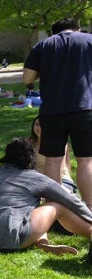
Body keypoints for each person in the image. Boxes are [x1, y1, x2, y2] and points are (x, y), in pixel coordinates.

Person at [0, 138, 92, 258]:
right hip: (10, 238)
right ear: (32, 158)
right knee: (57, 206)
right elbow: (70, 200)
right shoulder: (36, 178)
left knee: (30, 207)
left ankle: (42, 243)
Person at [22, 18, 92, 208]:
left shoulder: (43, 45)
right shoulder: (89, 40)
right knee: (86, 160)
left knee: (53, 160)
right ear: (78, 29)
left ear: (53, 32)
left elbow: (27, 78)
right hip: (85, 108)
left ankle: (54, 207)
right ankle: (89, 208)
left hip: (52, 110)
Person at [27, 116, 77, 194]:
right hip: (35, 181)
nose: (40, 128)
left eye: (44, 125)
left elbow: (59, 168)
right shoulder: (27, 144)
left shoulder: (59, 144)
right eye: (37, 124)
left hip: (60, 180)